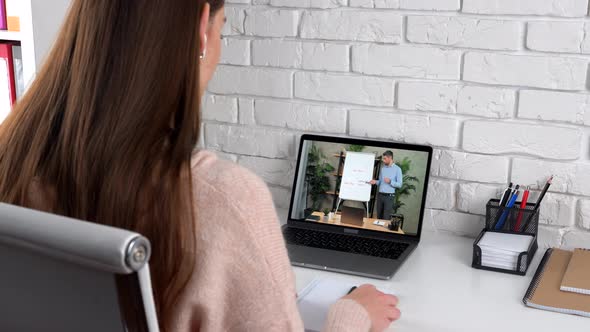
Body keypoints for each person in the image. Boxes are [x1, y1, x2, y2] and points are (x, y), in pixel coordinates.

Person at [0, 1, 401, 331]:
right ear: (199, 31)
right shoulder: (221, 200)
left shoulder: (12, 163)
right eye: (222, 29)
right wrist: (351, 317)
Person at [370, 151, 403, 220]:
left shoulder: (398, 169)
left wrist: (390, 181)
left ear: (390, 158)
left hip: (389, 197)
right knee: (379, 217)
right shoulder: (383, 169)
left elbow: (399, 184)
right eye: (383, 158)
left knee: (386, 218)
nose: (383, 160)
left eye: (384, 159)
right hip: (380, 196)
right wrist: (375, 181)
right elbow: (380, 182)